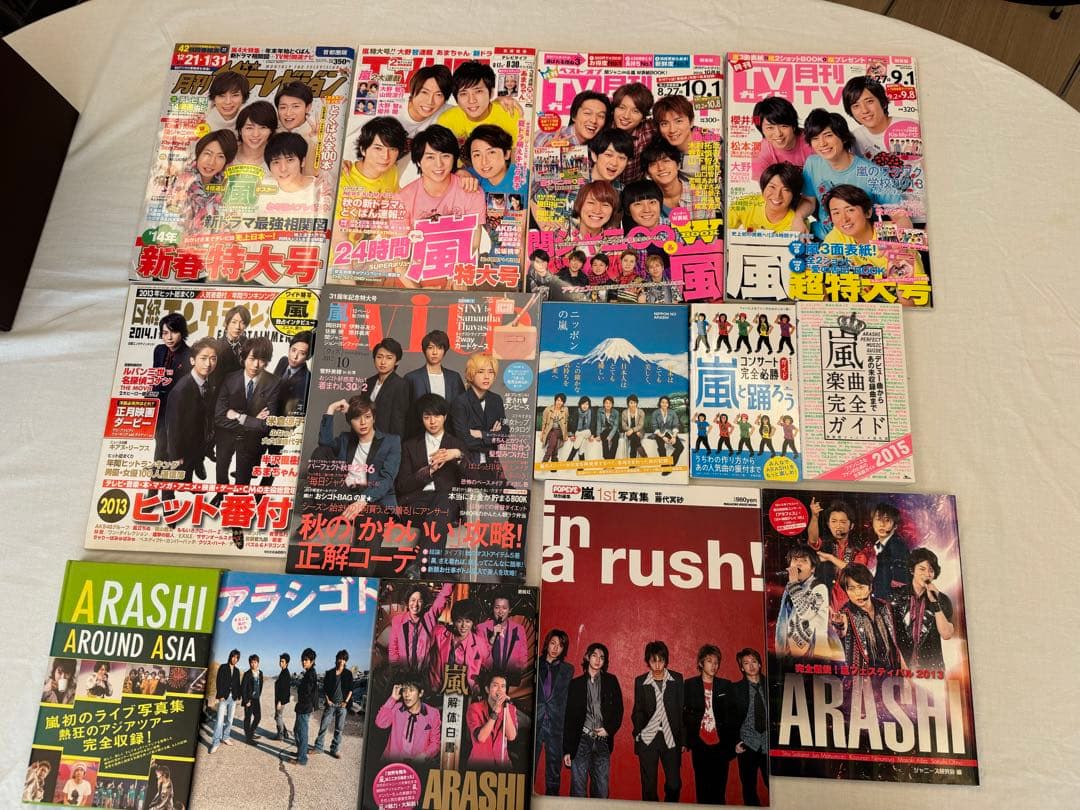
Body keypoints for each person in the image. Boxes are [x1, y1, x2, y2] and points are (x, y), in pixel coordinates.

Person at [801, 108, 913, 239]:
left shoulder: (873, 173)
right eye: (815, 138)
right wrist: (798, 217)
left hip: (859, 242)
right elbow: (808, 201)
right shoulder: (812, 163)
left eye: (828, 135)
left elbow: (899, 215)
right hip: (824, 238)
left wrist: (900, 240)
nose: (822, 143)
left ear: (843, 137)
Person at [397, 125, 486, 256]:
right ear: (419, 161)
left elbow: (473, 245)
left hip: (459, 264)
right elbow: (400, 248)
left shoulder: (471, 192)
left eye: (445, 156)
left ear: (454, 158)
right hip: (417, 264)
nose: (439, 164)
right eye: (430, 157)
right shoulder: (402, 199)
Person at [213, 336, 282, 502]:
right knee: (221, 469)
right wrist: (252, 420)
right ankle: (221, 494)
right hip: (226, 435)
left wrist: (239, 416)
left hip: (251, 439)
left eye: (261, 360)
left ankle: (238, 507)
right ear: (243, 358)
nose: (256, 365)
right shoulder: (230, 378)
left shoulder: (274, 383)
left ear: (267, 361)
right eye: (251, 359)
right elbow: (219, 417)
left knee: (243, 481)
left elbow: (266, 424)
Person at [318, 394, 402, 513]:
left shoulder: (391, 442)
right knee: (320, 452)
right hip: (346, 495)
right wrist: (331, 408)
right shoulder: (345, 439)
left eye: (367, 417)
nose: (363, 422)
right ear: (350, 422)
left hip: (374, 497)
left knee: (367, 520)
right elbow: (324, 443)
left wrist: (363, 500)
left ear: (374, 418)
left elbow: (386, 479)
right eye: (357, 418)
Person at [563, 642, 623, 799]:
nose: (598, 660)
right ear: (587, 657)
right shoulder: (575, 684)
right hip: (581, 740)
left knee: (602, 791)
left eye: (602, 657)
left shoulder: (611, 681)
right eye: (594, 656)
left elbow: (619, 710)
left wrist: (608, 729)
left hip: (602, 740)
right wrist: (567, 749)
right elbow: (569, 718)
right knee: (578, 789)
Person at [396, 393, 466, 527]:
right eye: (427, 417)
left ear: (445, 417)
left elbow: (473, 477)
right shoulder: (409, 446)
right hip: (417, 501)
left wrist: (458, 454)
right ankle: (432, 539)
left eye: (437, 416)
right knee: (438, 518)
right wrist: (429, 471)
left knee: (443, 504)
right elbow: (402, 485)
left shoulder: (457, 444)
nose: (432, 421)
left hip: (447, 501)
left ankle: (429, 540)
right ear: (421, 419)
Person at [630, 640, 685, 802]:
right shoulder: (641, 681)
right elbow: (638, 711)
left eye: (661, 660)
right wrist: (638, 734)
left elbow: (682, 710)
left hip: (671, 738)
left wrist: (683, 740)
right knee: (649, 787)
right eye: (653, 661)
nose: (658, 665)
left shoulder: (677, 679)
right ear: (648, 662)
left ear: (666, 660)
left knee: (674, 784)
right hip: (648, 738)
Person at [164, 337, 218, 492]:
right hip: (184, 442)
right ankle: (181, 487)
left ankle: (193, 473)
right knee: (179, 472)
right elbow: (173, 428)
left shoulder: (208, 381)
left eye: (213, 359)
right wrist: (176, 457)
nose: (208, 364)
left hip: (199, 437)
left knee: (193, 459)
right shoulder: (180, 391)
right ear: (192, 360)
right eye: (203, 358)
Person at [889, 547, 955, 670]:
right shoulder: (896, 596)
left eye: (931, 570)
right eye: (922, 569)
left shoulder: (942, 599)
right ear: (912, 570)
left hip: (932, 669)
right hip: (901, 668)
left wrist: (935, 603)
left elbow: (946, 634)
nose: (927, 574)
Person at [684, 644, 734, 804]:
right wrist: (685, 741)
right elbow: (683, 715)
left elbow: (732, 716)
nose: (714, 665)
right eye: (709, 661)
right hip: (700, 745)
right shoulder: (689, 685)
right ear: (701, 663)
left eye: (716, 662)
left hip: (721, 746)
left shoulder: (726, 685)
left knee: (719, 792)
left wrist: (733, 744)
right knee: (702, 791)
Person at [775, 545, 843, 660]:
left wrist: (793, 584)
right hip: (793, 654)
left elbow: (806, 614)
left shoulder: (819, 588)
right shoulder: (789, 588)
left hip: (816, 655)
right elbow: (782, 621)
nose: (798, 564)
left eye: (804, 561)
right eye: (795, 560)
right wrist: (780, 653)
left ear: (813, 569)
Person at [450, 352, 508, 484]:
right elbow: (465, 440)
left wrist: (481, 434)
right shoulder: (460, 402)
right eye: (481, 372)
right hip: (468, 464)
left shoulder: (496, 400)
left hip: (492, 464)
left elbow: (505, 433)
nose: (487, 376)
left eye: (491, 372)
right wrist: (492, 436)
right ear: (471, 374)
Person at [835, 564, 906, 670]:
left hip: (892, 674)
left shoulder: (885, 607)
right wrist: (838, 625)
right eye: (851, 589)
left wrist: (906, 672)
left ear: (870, 587)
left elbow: (895, 645)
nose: (857, 593)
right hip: (862, 677)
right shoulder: (845, 614)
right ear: (846, 591)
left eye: (861, 587)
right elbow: (840, 631)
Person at [167, 129, 237, 234]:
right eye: (207, 154)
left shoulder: (227, 183)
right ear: (198, 153)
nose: (211, 162)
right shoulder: (180, 181)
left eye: (220, 156)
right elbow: (171, 221)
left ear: (226, 162)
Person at [437, 60, 522, 145]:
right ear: (456, 98)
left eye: (478, 91)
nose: (471, 100)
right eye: (464, 94)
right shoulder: (447, 121)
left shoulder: (509, 114)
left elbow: (519, 151)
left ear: (491, 92)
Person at [807, 498, 869, 606]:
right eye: (834, 521)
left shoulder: (858, 550)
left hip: (848, 606)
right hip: (823, 605)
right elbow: (812, 540)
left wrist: (831, 558)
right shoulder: (824, 544)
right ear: (828, 524)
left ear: (851, 526)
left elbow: (856, 573)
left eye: (843, 522)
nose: (838, 525)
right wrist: (815, 517)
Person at [403, 329, 466, 436]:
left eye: (439, 348)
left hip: (449, 436)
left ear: (444, 351)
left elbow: (461, 410)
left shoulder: (454, 378)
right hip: (418, 436)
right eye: (430, 347)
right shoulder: (412, 378)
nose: (435, 352)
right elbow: (405, 413)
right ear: (424, 350)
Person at [535, 629, 573, 796]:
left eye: (560, 646)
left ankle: (552, 801)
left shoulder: (568, 670)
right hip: (535, 722)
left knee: (554, 771)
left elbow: (567, 699)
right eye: (553, 643)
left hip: (556, 725)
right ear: (547, 644)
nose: (556, 648)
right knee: (529, 766)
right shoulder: (534, 664)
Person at [730, 648, 768, 806]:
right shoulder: (735, 689)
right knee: (749, 789)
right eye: (746, 663)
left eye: (754, 662)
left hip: (769, 745)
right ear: (741, 667)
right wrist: (735, 742)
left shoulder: (772, 685)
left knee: (776, 786)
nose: (751, 666)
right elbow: (730, 719)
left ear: (759, 664)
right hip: (747, 745)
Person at [842, 75, 913, 160]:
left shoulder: (910, 127)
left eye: (869, 101)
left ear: (883, 102)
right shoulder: (855, 138)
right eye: (856, 106)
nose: (865, 110)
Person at [388, 582, 453, 672]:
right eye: (413, 600)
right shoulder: (397, 621)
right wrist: (396, 670)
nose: (415, 604)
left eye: (420, 601)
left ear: (424, 603)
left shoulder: (429, 617)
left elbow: (442, 597)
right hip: (403, 672)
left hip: (424, 673)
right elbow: (393, 648)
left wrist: (451, 580)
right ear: (407, 602)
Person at [375, 673, 441, 761]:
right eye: (404, 690)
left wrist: (424, 755)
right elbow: (380, 723)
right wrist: (392, 698)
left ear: (420, 693)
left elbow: (435, 743)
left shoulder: (433, 714)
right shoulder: (397, 708)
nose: (407, 694)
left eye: (411, 690)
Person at [429, 599, 489, 693]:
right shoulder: (439, 635)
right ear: (454, 621)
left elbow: (488, 666)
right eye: (459, 621)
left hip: (467, 691)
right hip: (439, 688)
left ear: (473, 622)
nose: (464, 626)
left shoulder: (479, 643)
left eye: (468, 621)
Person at [729, 161, 806, 233]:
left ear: (794, 194)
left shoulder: (799, 223)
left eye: (786, 190)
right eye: (772, 187)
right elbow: (723, 231)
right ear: (763, 187)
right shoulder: (745, 204)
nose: (777, 195)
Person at [749, 96, 813, 179]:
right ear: (761, 129)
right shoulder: (760, 152)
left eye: (783, 126)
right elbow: (765, 185)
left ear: (793, 126)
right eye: (770, 128)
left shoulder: (812, 141)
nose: (778, 134)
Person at [643, 138, 706, 222]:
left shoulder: (701, 195)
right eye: (653, 164)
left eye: (666, 161)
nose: (661, 168)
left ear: (678, 165)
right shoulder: (644, 202)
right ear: (648, 174)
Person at [341, 116, 408, 193]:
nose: (386, 157)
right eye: (378, 148)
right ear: (363, 150)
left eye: (392, 149)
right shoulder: (344, 181)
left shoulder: (392, 171)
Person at [467, 671, 519, 766]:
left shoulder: (510, 708)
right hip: (479, 765)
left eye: (503, 686)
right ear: (487, 689)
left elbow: (511, 736)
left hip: (503, 764)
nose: (500, 690)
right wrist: (495, 712)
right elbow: (481, 738)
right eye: (495, 685)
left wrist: (506, 708)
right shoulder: (474, 708)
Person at [261, 132, 322, 212]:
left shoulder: (319, 188)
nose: (283, 169)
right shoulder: (263, 188)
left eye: (290, 160)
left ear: (303, 161)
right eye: (276, 162)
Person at [611, 81, 656, 182]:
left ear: (643, 117)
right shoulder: (602, 127)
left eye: (635, 111)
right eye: (622, 108)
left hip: (635, 186)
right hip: (603, 186)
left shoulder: (648, 130)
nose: (626, 116)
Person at [364, 337, 409, 438]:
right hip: (365, 437)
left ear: (397, 361)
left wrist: (394, 443)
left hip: (385, 440)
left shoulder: (400, 384)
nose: (383, 362)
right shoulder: (368, 382)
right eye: (379, 357)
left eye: (389, 358)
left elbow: (398, 420)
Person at [535, 89, 610, 149]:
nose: (594, 121)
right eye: (587, 113)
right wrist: (547, 153)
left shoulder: (598, 148)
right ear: (574, 116)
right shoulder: (549, 135)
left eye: (601, 116)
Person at [866, 501, 912, 598]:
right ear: (872, 522)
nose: (882, 524)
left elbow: (901, 583)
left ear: (895, 526)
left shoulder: (897, 546)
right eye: (878, 519)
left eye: (887, 520)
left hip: (889, 601)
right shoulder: (878, 546)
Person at [477, 593, 529, 677]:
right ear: (492, 608)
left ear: (510, 610)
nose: (500, 611)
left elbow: (523, 655)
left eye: (504, 608)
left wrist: (518, 671)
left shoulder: (519, 629)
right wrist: (493, 638)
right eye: (497, 607)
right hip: (488, 677)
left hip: (511, 677)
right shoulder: (481, 628)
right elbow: (480, 656)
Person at [394, 65, 453, 139]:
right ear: (412, 91)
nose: (430, 102)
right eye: (424, 92)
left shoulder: (449, 112)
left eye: (438, 94)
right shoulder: (393, 111)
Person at [653, 93, 705, 176]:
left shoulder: (713, 146)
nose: (672, 130)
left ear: (691, 122)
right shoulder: (660, 148)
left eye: (678, 121)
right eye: (664, 124)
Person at [315, 649, 353, 758]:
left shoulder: (348, 674)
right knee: (323, 725)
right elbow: (325, 689)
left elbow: (351, 690)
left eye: (344, 659)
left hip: (342, 705)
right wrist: (327, 700)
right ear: (336, 659)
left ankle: (334, 750)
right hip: (330, 704)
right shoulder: (330, 673)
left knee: (339, 729)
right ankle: (318, 747)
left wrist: (346, 702)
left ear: (346, 661)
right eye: (340, 658)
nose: (341, 661)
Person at [274, 80, 318, 175]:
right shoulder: (270, 129)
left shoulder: (318, 133)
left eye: (295, 106)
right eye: (283, 107)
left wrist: (314, 141)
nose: (288, 113)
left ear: (308, 107)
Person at [464, 124, 517, 194]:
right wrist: (462, 173)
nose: (484, 162)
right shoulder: (471, 175)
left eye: (491, 152)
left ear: (506, 154)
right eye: (477, 155)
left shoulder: (523, 178)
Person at [271, 330, 312, 417]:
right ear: (289, 349)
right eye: (293, 350)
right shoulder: (283, 361)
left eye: (302, 353)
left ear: (308, 357)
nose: (295, 356)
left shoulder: (307, 379)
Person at [209, 649, 241, 753]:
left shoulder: (237, 671)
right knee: (219, 720)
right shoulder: (223, 667)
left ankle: (226, 737)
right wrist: (220, 695)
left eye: (237, 658)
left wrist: (238, 696)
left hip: (233, 698)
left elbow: (237, 684)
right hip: (224, 697)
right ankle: (215, 743)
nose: (235, 659)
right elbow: (219, 681)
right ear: (230, 657)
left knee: (230, 720)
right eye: (233, 657)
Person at [291, 648, 319, 765]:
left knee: (302, 732)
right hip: (303, 706)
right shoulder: (308, 673)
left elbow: (309, 691)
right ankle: (300, 752)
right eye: (302, 659)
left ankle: (302, 758)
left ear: (312, 661)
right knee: (297, 730)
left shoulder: (311, 674)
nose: (303, 662)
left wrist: (300, 689)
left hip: (304, 707)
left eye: (306, 660)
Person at [232, 100, 278, 167]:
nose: (255, 134)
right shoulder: (227, 154)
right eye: (249, 128)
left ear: (271, 130)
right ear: (240, 130)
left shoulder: (278, 159)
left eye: (263, 127)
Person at [650, 395, 684, 475]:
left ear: (668, 404)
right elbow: (654, 427)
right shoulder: (655, 413)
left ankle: (671, 464)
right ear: (660, 403)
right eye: (662, 402)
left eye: (666, 402)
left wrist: (674, 436)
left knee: (680, 447)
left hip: (670, 433)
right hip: (659, 433)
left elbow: (676, 425)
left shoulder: (672, 413)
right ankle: (665, 467)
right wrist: (662, 437)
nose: (664, 404)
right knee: (661, 447)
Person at [566, 396, 599, 462]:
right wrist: (572, 434)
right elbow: (573, 424)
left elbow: (593, 424)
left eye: (587, 404)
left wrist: (592, 435)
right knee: (582, 439)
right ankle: (581, 460)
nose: (585, 406)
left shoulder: (591, 412)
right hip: (578, 432)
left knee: (586, 432)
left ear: (589, 405)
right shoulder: (576, 412)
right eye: (583, 404)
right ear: (580, 404)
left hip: (588, 432)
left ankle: (571, 457)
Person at [240, 654, 263, 744]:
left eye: (255, 662)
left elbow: (260, 685)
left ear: (258, 663)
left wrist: (258, 695)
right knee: (248, 718)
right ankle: (248, 738)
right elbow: (243, 688)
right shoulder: (247, 674)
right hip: (249, 700)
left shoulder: (260, 673)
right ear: (249, 663)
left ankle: (251, 733)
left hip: (256, 699)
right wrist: (246, 700)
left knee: (258, 717)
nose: (253, 664)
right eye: (252, 662)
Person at [540, 393, 569, 463]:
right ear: (555, 400)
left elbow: (566, 422)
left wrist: (566, 434)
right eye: (558, 400)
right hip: (549, 431)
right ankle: (554, 458)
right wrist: (542, 433)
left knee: (554, 434)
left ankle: (545, 459)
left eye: (561, 401)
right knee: (554, 436)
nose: (559, 402)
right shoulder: (548, 409)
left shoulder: (565, 410)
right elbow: (544, 423)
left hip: (560, 431)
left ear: (563, 402)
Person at [622, 394, 647, 459]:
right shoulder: (624, 412)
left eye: (635, 403)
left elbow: (640, 425)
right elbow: (624, 425)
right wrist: (631, 431)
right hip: (628, 432)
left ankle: (632, 462)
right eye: (631, 403)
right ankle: (644, 455)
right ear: (628, 404)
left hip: (639, 431)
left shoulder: (641, 412)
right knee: (635, 438)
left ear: (637, 403)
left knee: (634, 439)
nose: (633, 405)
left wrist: (633, 430)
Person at [274, 652, 292, 742]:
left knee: (278, 717)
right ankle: (285, 733)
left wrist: (280, 702)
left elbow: (284, 690)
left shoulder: (285, 674)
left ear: (286, 663)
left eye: (282, 661)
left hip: (281, 700)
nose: (280, 663)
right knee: (278, 716)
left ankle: (280, 735)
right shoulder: (283, 672)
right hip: (279, 699)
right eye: (280, 661)